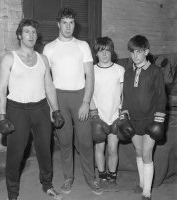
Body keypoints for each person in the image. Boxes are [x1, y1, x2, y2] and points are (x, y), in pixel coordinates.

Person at [0, 19, 64, 200]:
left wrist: (55, 110)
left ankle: (47, 185)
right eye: (27, 32)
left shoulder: (43, 59)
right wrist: (1, 117)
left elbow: (49, 86)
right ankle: (12, 194)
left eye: (34, 32)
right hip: (17, 110)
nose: (31, 35)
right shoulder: (9, 58)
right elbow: (1, 89)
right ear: (19, 35)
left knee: (44, 150)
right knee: (15, 154)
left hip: (40, 109)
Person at [43, 7, 102, 195]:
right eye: (64, 23)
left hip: (79, 96)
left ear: (74, 25)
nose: (68, 27)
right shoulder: (49, 48)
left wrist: (86, 102)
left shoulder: (82, 45)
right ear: (58, 24)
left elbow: (90, 77)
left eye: (71, 23)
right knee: (65, 141)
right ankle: (68, 178)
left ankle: (90, 178)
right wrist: (52, 108)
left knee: (85, 142)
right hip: (59, 98)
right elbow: (46, 81)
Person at [120, 35, 166, 200]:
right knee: (139, 152)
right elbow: (125, 97)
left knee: (147, 154)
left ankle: (147, 191)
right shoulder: (127, 73)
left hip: (150, 121)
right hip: (133, 120)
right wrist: (123, 116)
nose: (135, 55)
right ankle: (141, 184)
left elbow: (161, 98)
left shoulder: (155, 71)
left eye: (139, 51)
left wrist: (159, 121)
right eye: (132, 52)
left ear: (146, 51)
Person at [89, 37, 125, 191]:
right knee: (99, 148)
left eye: (108, 50)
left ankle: (112, 177)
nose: (104, 54)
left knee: (112, 149)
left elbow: (123, 94)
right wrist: (94, 114)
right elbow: (88, 94)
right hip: (99, 116)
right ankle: (102, 176)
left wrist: (122, 112)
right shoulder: (91, 70)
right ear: (96, 53)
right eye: (101, 50)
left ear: (112, 51)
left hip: (114, 116)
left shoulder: (119, 70)